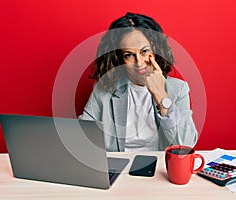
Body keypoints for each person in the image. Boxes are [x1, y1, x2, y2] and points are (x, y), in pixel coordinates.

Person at [79, 12, 198, 152]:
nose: (139, 62)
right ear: (119, 59)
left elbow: (186, 145)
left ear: (156, 50)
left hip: (160, 168)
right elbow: (82, 136)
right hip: (118, 167)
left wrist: (161, 95)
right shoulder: (104, 88)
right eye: (129, 55)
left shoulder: (178, 89)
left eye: (144, 51)